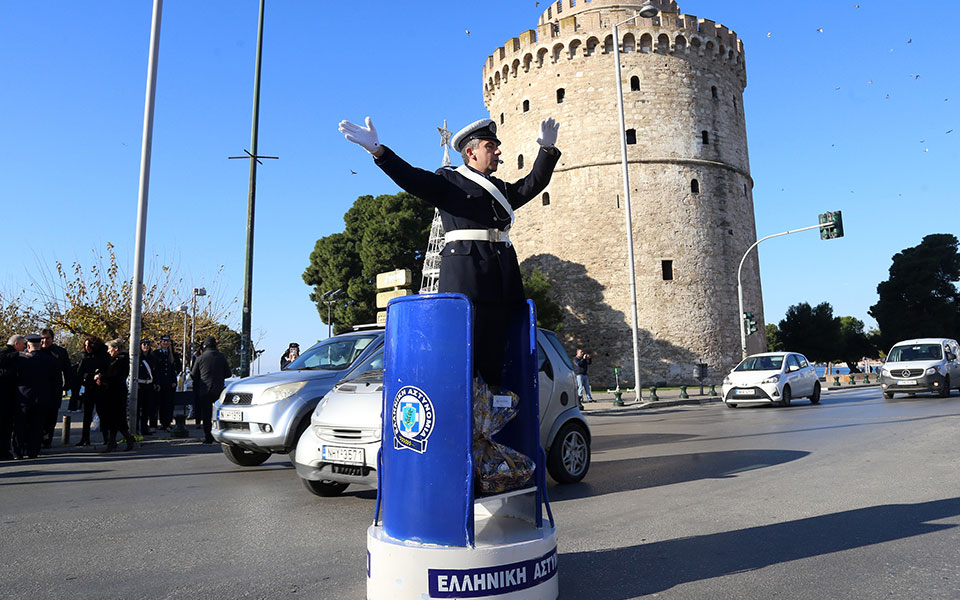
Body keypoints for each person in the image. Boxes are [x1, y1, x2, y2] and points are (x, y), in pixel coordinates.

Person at [339, 116, 561, 387]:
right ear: (471, 152)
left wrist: (547, 151)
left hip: (503, 277)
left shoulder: (500, 189)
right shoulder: (450, 181)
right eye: (491, 146)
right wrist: (378, 151)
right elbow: (411, 178)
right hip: (468, 276)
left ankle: (494, 411)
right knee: (467, 351)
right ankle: (468, 413)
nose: (498, 151)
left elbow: (533, 184)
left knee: (505, 352)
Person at [13, 334, 58, 459]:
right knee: (37, 426)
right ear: (40, 345)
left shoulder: (21, 360)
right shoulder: (51, 360)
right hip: (43, 398)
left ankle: (18, 451)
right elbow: (56, 382)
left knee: (20, 426)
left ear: (28, 346)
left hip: (23, 398)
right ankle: (33, 451)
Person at [190, 336, 231, 444]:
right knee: (220, 414)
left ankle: (208, 437)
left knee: (206, 415)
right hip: (218, 389)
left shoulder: (200, 358)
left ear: (205, 346)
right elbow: (228, 374)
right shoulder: (221, 357)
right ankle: (220, 435)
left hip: (205, 390)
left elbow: (193, 375)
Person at [95, 339, 134, 452]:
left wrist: (102, 377)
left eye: (109, 348)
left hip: (116, 392)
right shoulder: (114, 360)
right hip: (110, 392)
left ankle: (127, 438)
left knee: (117, 418)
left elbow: (114, 375)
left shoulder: (120, 360)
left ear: (116, 348)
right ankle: (112, 442)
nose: (108, 351)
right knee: (112, 419)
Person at [39, 328, 73, 447]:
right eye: (42, 338)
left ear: (52, 339)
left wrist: (67, 385)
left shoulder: (60, 352)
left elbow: (67, 370)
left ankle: (47, 439)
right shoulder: (35, 350)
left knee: (51, 416)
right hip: (39, 389)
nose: (44, 341)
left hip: (54, 389)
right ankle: (38, 439)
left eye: (47, 338)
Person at [0, 335, 27, 460]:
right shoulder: (6, 353)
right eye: (23, 345)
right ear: (16, 344)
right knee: (4, 425)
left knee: (8, 426)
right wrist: (18, 355)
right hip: (4, 396)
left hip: (9, 396)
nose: (24, 348)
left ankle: (5, 450)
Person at [150, 334, 181, 432]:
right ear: (160, 342)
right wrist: (156, 382)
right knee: (155, 405)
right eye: (164, 341)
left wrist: (174, 381)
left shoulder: (173, 355)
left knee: (167, 404)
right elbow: (155, 370)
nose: (166, 343)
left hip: (169, 383)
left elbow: (176, 369)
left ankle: (166, 423)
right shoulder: (155, 354)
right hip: (159, 382)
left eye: (167, 341)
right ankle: (153, 425)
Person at [136, 338, 155, 436]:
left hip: (149, 385)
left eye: (147, 344)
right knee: (137, 408)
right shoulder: (137, 358)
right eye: (144, 344)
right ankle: (135, 429)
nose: (146, 346)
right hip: (140, 385)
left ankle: (144, 428)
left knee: (146, 409)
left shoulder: (151, 358)